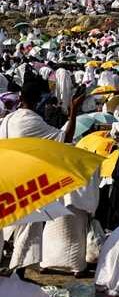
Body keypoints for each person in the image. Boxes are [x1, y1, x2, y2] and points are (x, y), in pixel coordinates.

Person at [0, 80, 83, 277]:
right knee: (27, 230)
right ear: (38, 100)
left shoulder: (9, 119)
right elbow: (65, 140)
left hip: (7, 178)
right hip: (23, 183)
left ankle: (14, 275)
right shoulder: (31, 120)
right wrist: (73, 111)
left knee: (13, 229)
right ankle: (17, 276)